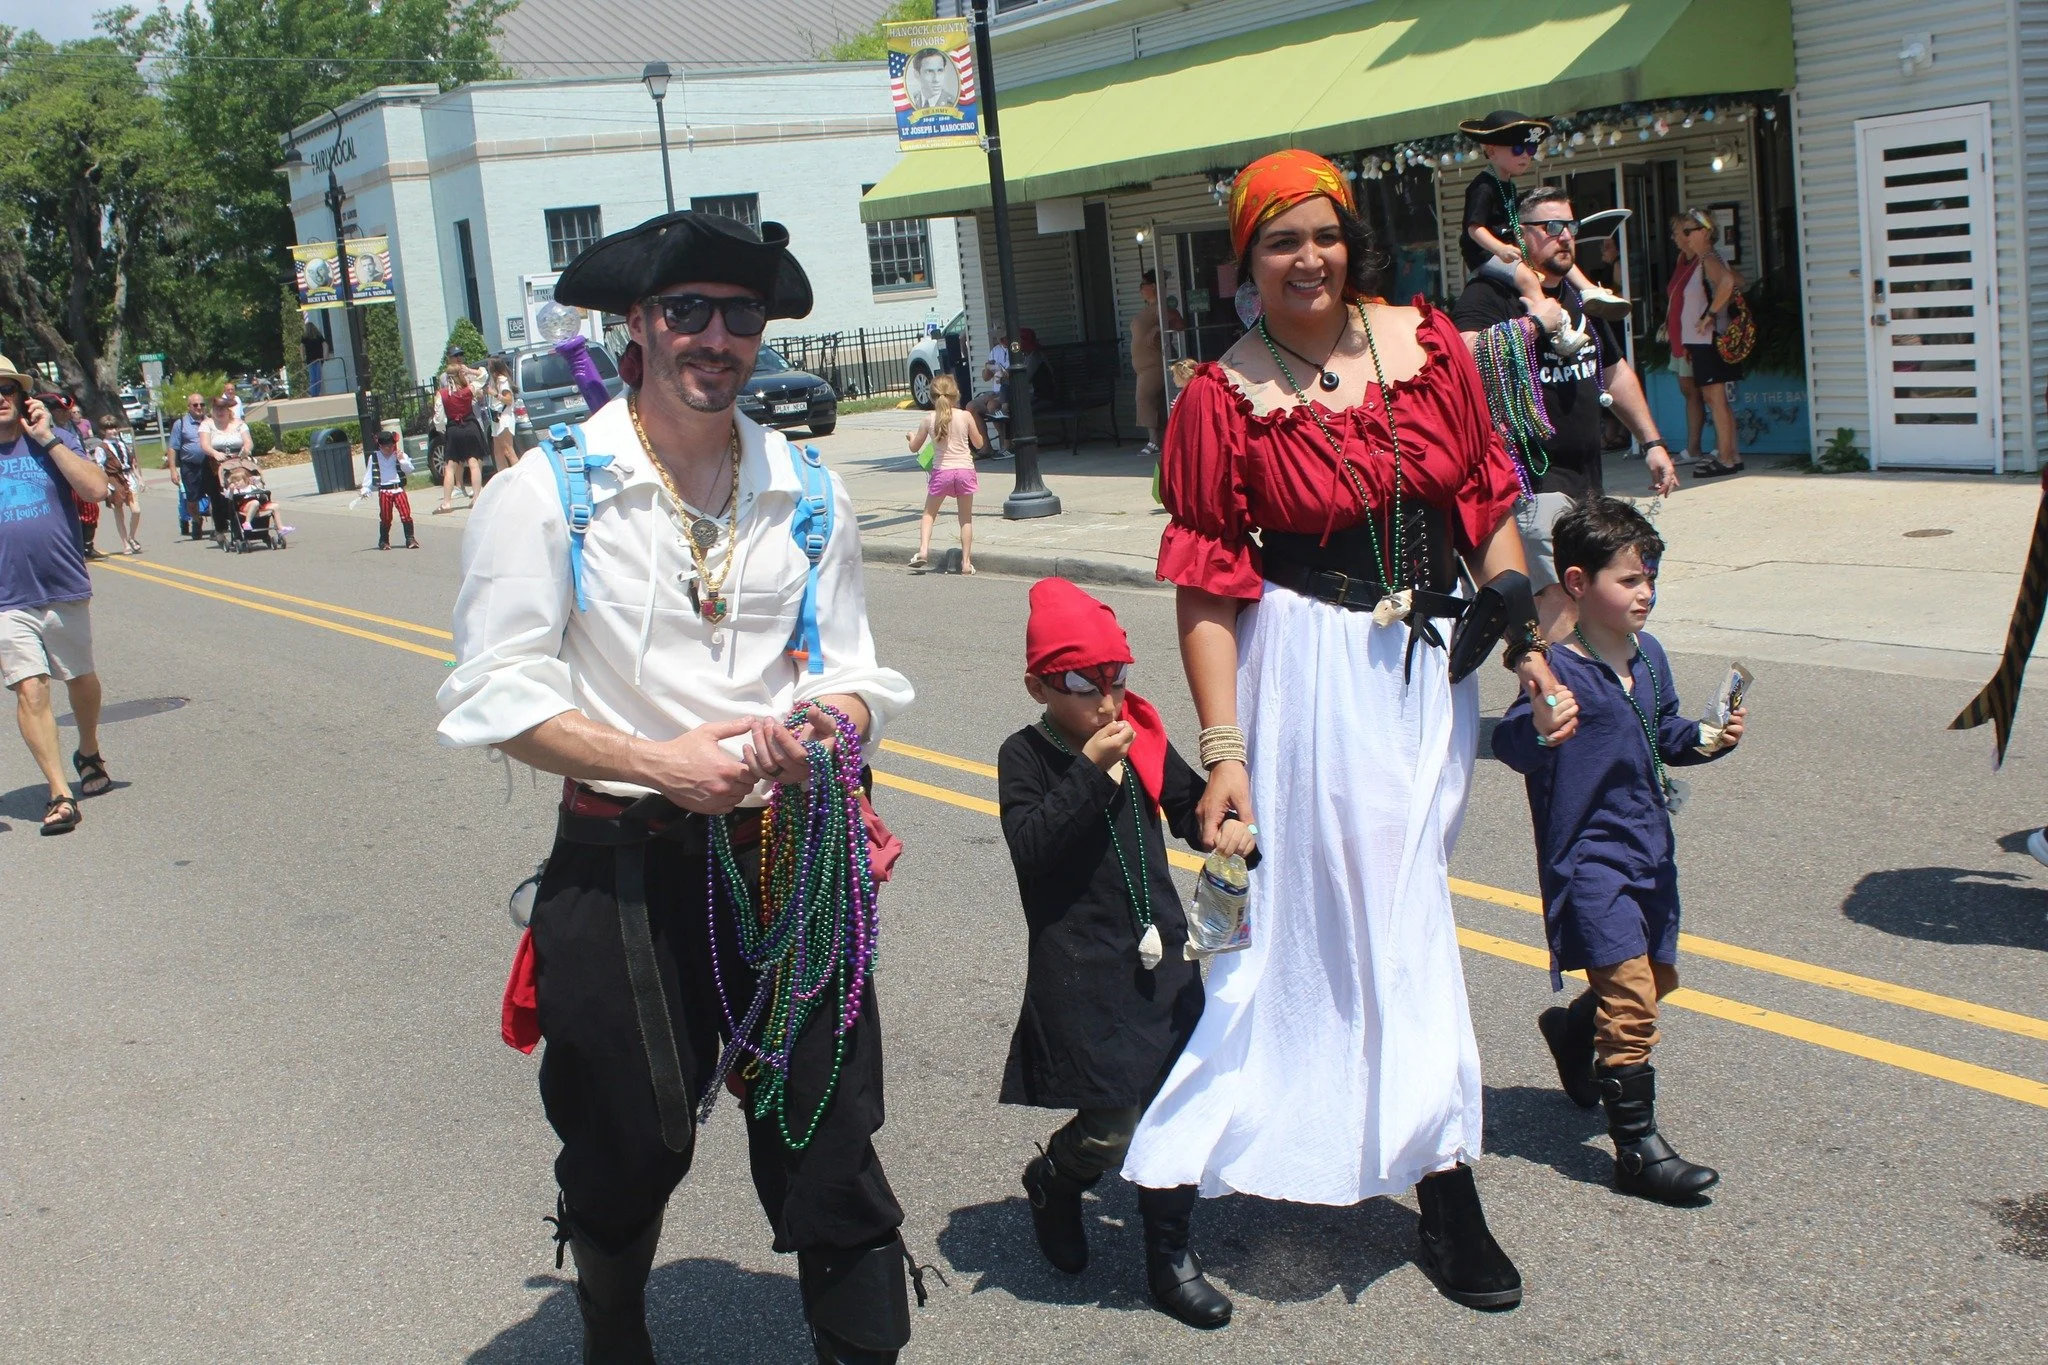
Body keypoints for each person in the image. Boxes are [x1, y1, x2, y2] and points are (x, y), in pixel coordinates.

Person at [436, 210, 919, 1364]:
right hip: (621, 857)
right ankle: (612, 1327)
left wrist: (827, 727)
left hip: (786, 852)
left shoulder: (806, 488)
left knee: (827, 1129)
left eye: (738, 315)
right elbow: (492, 693)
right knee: (630, 1136)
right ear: (636, 331)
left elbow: (853, 669)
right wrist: (657, 762)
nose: (716, 335)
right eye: (686, 311)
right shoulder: (551, 493)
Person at [1120, 149, 1579, 1314]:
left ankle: (1400, 1159)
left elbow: (1482, 498)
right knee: (1311, 930)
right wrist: (1222, 757)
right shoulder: (1221, 397)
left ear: (1349, 238)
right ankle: (1225, 1181)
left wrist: (1520, 631)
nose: (1306, 258)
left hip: (1427, 673)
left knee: (1398, 910)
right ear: (1246, 261)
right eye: (1280, 241)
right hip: (1307, 676)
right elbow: (1208, 588)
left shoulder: (1425, 344)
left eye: (1321, 234)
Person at [999, 578, 1255, 1329]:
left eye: (1116, 679)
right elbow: (1032, 849)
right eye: (1083, 685)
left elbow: (1190, 811)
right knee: (1112, 1120)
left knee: (1175, 1106)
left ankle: (1170, 1258)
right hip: (1082, 963)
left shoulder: (1138, 731)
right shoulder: (1029, 754)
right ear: (1040, 685)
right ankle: (1056, 1174)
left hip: (1161, 954)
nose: (1107, 702)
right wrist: (1089, 771)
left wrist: (1228, 830)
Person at [1491, 498, 1743, 1203]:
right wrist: (1540, 725)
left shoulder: (1650, 656)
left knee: (1654, 980)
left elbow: (1666, 733)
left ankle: (1576, 1032)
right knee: (1633, 1003)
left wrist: (1709, 738)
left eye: (1651, 578)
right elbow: (1513, 742)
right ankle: (1637, 1151)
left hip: (1649, 852)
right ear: (1577, 582)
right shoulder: (1554, 671)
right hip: (1589, 859)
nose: (1646, 593)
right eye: (1629, 580)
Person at [1452, 185, 1680, 643]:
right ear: (1521, 235)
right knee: (1559, 592)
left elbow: (1613, 372)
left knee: (1585, 589)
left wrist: (1652, 442)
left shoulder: (1582, 299)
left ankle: (1562, 695)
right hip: (1532, 476)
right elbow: (1461, 354)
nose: (1564, 237)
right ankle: (1559, 700)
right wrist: (1532, 325)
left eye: (1570, 226)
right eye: (1550, 227)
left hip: (1588, 476)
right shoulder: (1490, 293)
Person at [0, 358, 113, 834]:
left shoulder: (52, 441)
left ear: (21, 396)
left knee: (80, 678)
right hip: (6, 597)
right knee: (30, 686)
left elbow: (97, 489)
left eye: (6, 388)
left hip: (61, 584)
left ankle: (88, 749)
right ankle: (59, 792)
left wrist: (47, 439)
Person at [1457, 110, 1630, 334]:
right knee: (1528, 278)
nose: (1525, 156)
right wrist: (1499, 249)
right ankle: (1555, 326)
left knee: (1554, 251)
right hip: (1485, 253)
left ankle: (1588, 289)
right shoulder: (1482, 187)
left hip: (1509, 244)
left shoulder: (1507, 184)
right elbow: (1474, 229)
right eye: (1518, 149)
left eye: (1529, 150)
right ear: (1491, 151)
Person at [1667, 208, 1746, 477]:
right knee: (1716, 399)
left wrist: (1710, 315)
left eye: (1690, 231)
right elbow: (1736, 280)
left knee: (1715, 398)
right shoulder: (1706, 258)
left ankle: (1725, 457)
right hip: (1700, 340)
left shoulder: (1709, 257)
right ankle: (1731, 453)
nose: (1685, 237)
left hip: (1710, 338)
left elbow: (1727, 282)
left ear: (1706, 231)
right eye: (1684, 232)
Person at [906, 375, 982, 574]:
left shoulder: (928, 420)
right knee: (965, 518)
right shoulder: (965, 416)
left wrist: (911, 438)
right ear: (956, 394)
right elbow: (979, 443)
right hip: (964, 470)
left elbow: (915, 448)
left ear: (932, 397)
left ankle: (923, 551)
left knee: (929, 514)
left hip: (942, 472)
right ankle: (966, 563)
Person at [1130, 271, 1186, 458]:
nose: (1140, 289)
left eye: (1143, 284)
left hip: (1157, 363)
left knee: (1143, 398)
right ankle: (1163, 439)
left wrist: (1159, 327)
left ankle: (1154, 441)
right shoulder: (1147, 309)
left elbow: (1179, 323)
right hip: (1142, 366)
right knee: (1157, 402)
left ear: (1153, 286)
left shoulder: (1162, 307)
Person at [431, 349, 488, 513]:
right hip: (470, 425)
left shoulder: (441, 394)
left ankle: (447, 502)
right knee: (473, 462)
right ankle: (476, 497)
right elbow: (484, 375)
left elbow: (439, 418)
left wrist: (442, 429)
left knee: (449, 466)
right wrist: (469, 370)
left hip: (453, 429)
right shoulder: (468, 390)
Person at [199, 393, 252, 543]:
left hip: (237, 463)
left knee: (241, 493)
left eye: (223, 408)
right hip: (215, 465)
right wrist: (214, 453)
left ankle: (244, 524)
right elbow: (204, 444)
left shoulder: (238, 423)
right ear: (212, 410)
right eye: (217, 408)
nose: (220, 412)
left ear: (229, 410)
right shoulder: (207, 424)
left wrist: (246, 449)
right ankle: (220, 529)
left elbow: (248, 441)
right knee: (218, 498)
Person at [361, 428, 419, 550]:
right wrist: (366, 488)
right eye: (385, 447)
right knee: (386, 517)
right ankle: (384, 540)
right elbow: (369, 474)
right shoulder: (374, 457)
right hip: (384, 490)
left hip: (398, 488)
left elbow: (409, 469)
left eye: (391, 446)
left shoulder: (398, 454)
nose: (389, 449)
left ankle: (410, 538)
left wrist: (401, 459)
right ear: (380, 446)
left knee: (405, 514)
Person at [95, 415, 143, 555]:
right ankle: (125, 543)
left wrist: (139, 478)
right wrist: (106, 484)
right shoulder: (102, 448)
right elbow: (100, 467)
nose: (113, 431)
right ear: (103, 431)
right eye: (109, 429)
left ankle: (132, 537)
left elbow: (132, 463)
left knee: (136, 510)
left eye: (114, 427)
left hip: (128, 478)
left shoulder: (123, 444)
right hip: (114, 479)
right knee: (119, 511)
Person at [166, 393, 210, 538]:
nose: (199, 407)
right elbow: (173, 447)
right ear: (189, 407)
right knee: (192, 499)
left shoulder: (210, 422)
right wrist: (173, 469)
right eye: (195, 405)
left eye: (202, 404)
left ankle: (219, 526)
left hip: (209, 465)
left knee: (216, 495)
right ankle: (196, 521)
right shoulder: (181, 423)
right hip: (190, 466)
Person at [485, 356, 518, 475]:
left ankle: (518, 476)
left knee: (508, 450)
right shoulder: (494, 381)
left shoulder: (502, 381)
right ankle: (503, 478)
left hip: (504, 417)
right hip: (496, 419)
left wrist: (495, 394)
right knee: (498, 452)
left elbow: (508, 400)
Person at [906, 47, 957, 111]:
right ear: (917, 74)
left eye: (940, 71)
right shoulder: (912, 101)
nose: (936, 79)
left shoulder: (952, 103)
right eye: (929, 71)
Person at [303, 319, 328, 396]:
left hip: (310, 360)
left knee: (312, 378)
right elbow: (325, 345)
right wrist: (325, 356)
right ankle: (316, 393)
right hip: (319, 359)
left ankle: (313, 393)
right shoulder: (319, 336)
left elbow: (301, 347)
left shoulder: (305, 337)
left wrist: (302, 358)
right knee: (318, 377)